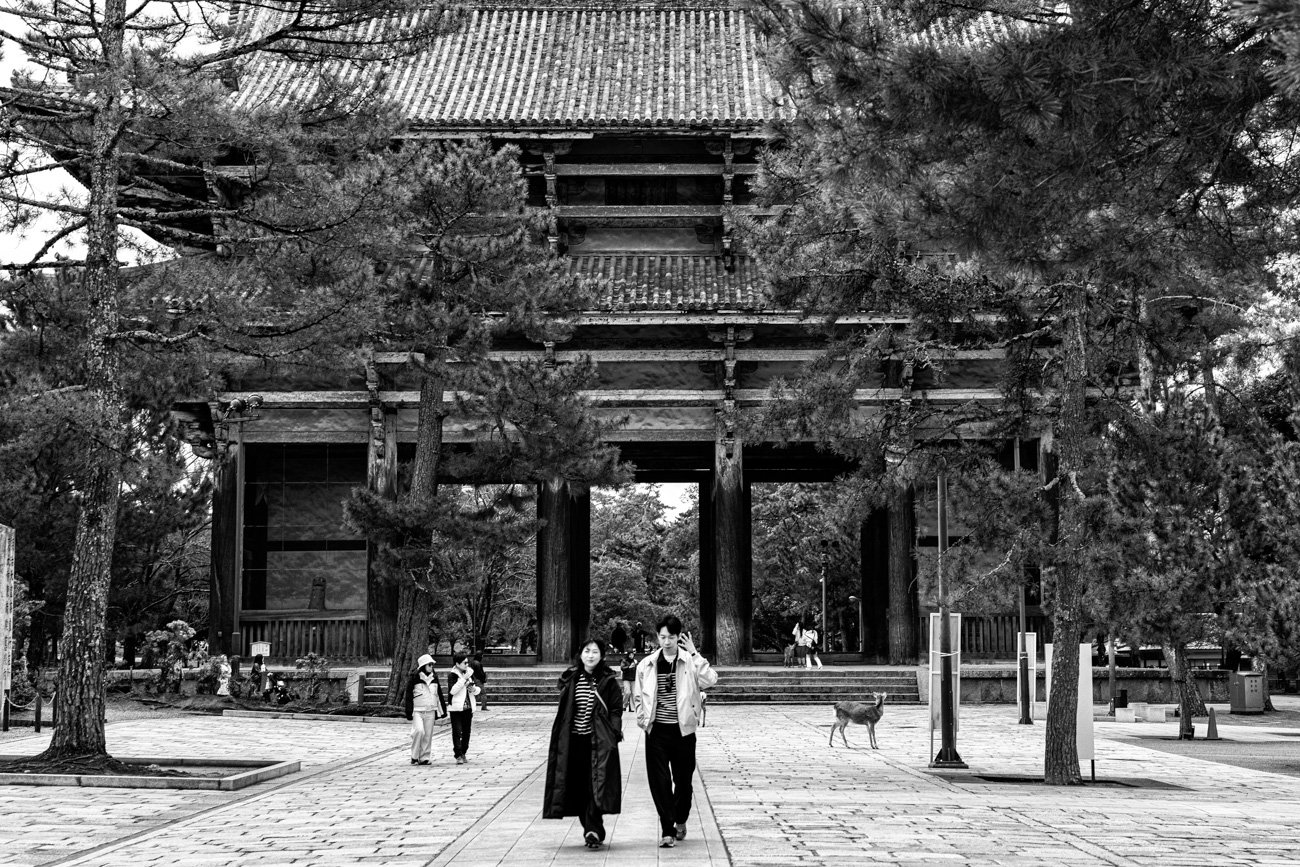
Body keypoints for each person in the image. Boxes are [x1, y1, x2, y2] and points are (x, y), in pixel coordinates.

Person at [633, 614, 717, 849]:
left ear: (678, 637)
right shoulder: (647, 664)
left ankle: (680, 818)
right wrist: (642, 719)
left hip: (683, 731)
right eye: (662, 637)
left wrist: (694, 653)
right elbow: (638, 694)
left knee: (683, 781)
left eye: (671, 637)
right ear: (657, 637)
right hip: (657, 730)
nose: (667, 641)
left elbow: (711, 680)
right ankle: (667, 829)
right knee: (659, 782)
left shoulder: (689, 660)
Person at [543, 638, 624, 850]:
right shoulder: (571, 678)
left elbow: (616, 709)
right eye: (587, 651)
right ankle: (590, 828)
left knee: (594, 784)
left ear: (602, 655)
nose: (590, 655)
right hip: (573, 741)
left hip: (597, 740)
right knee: (578, 786)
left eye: (595, 652)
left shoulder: (608, 680)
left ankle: (593, 830)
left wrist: (614, 732)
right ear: (580, 654)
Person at [403, 654, 447, 765]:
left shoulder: (434, 678)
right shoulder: (414, 678)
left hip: (431, 710)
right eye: (429, 664)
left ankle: (424, 757)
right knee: (419, 731)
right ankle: (414, 755)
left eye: (432, 664)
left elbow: (439, 694)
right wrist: (408, 711)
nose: (432, 666)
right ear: (423, 665)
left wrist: (443, 711)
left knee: (428, 735)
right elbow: (408, 695)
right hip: (418, 710)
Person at [447, 651, 481, 764]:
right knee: (457, 732)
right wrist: (463, 679)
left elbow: (477, 688)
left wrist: (474, 689)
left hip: (468, 707)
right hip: (456, 708)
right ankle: (458, 754)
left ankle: (463, 752)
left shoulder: (470, 673)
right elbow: (452, 690)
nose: (467, 665)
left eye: (467, 662)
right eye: (464, 663)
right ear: (457, 664)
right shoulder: (452, 675)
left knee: (467, 732)